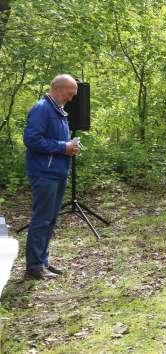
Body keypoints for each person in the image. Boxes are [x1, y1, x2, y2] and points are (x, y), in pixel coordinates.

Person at [23, 74, 79, 280]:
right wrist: (62, 147)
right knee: (42, 219)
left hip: (57, 172)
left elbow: (53, 140)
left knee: (50, 219)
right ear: (57, 88)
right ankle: (34, 267)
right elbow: (32, 140)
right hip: (44, 174)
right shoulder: (41, 109)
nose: (71, 98)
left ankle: (42, 261)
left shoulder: (58, 110)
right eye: (69, 93)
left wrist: (70, 147)